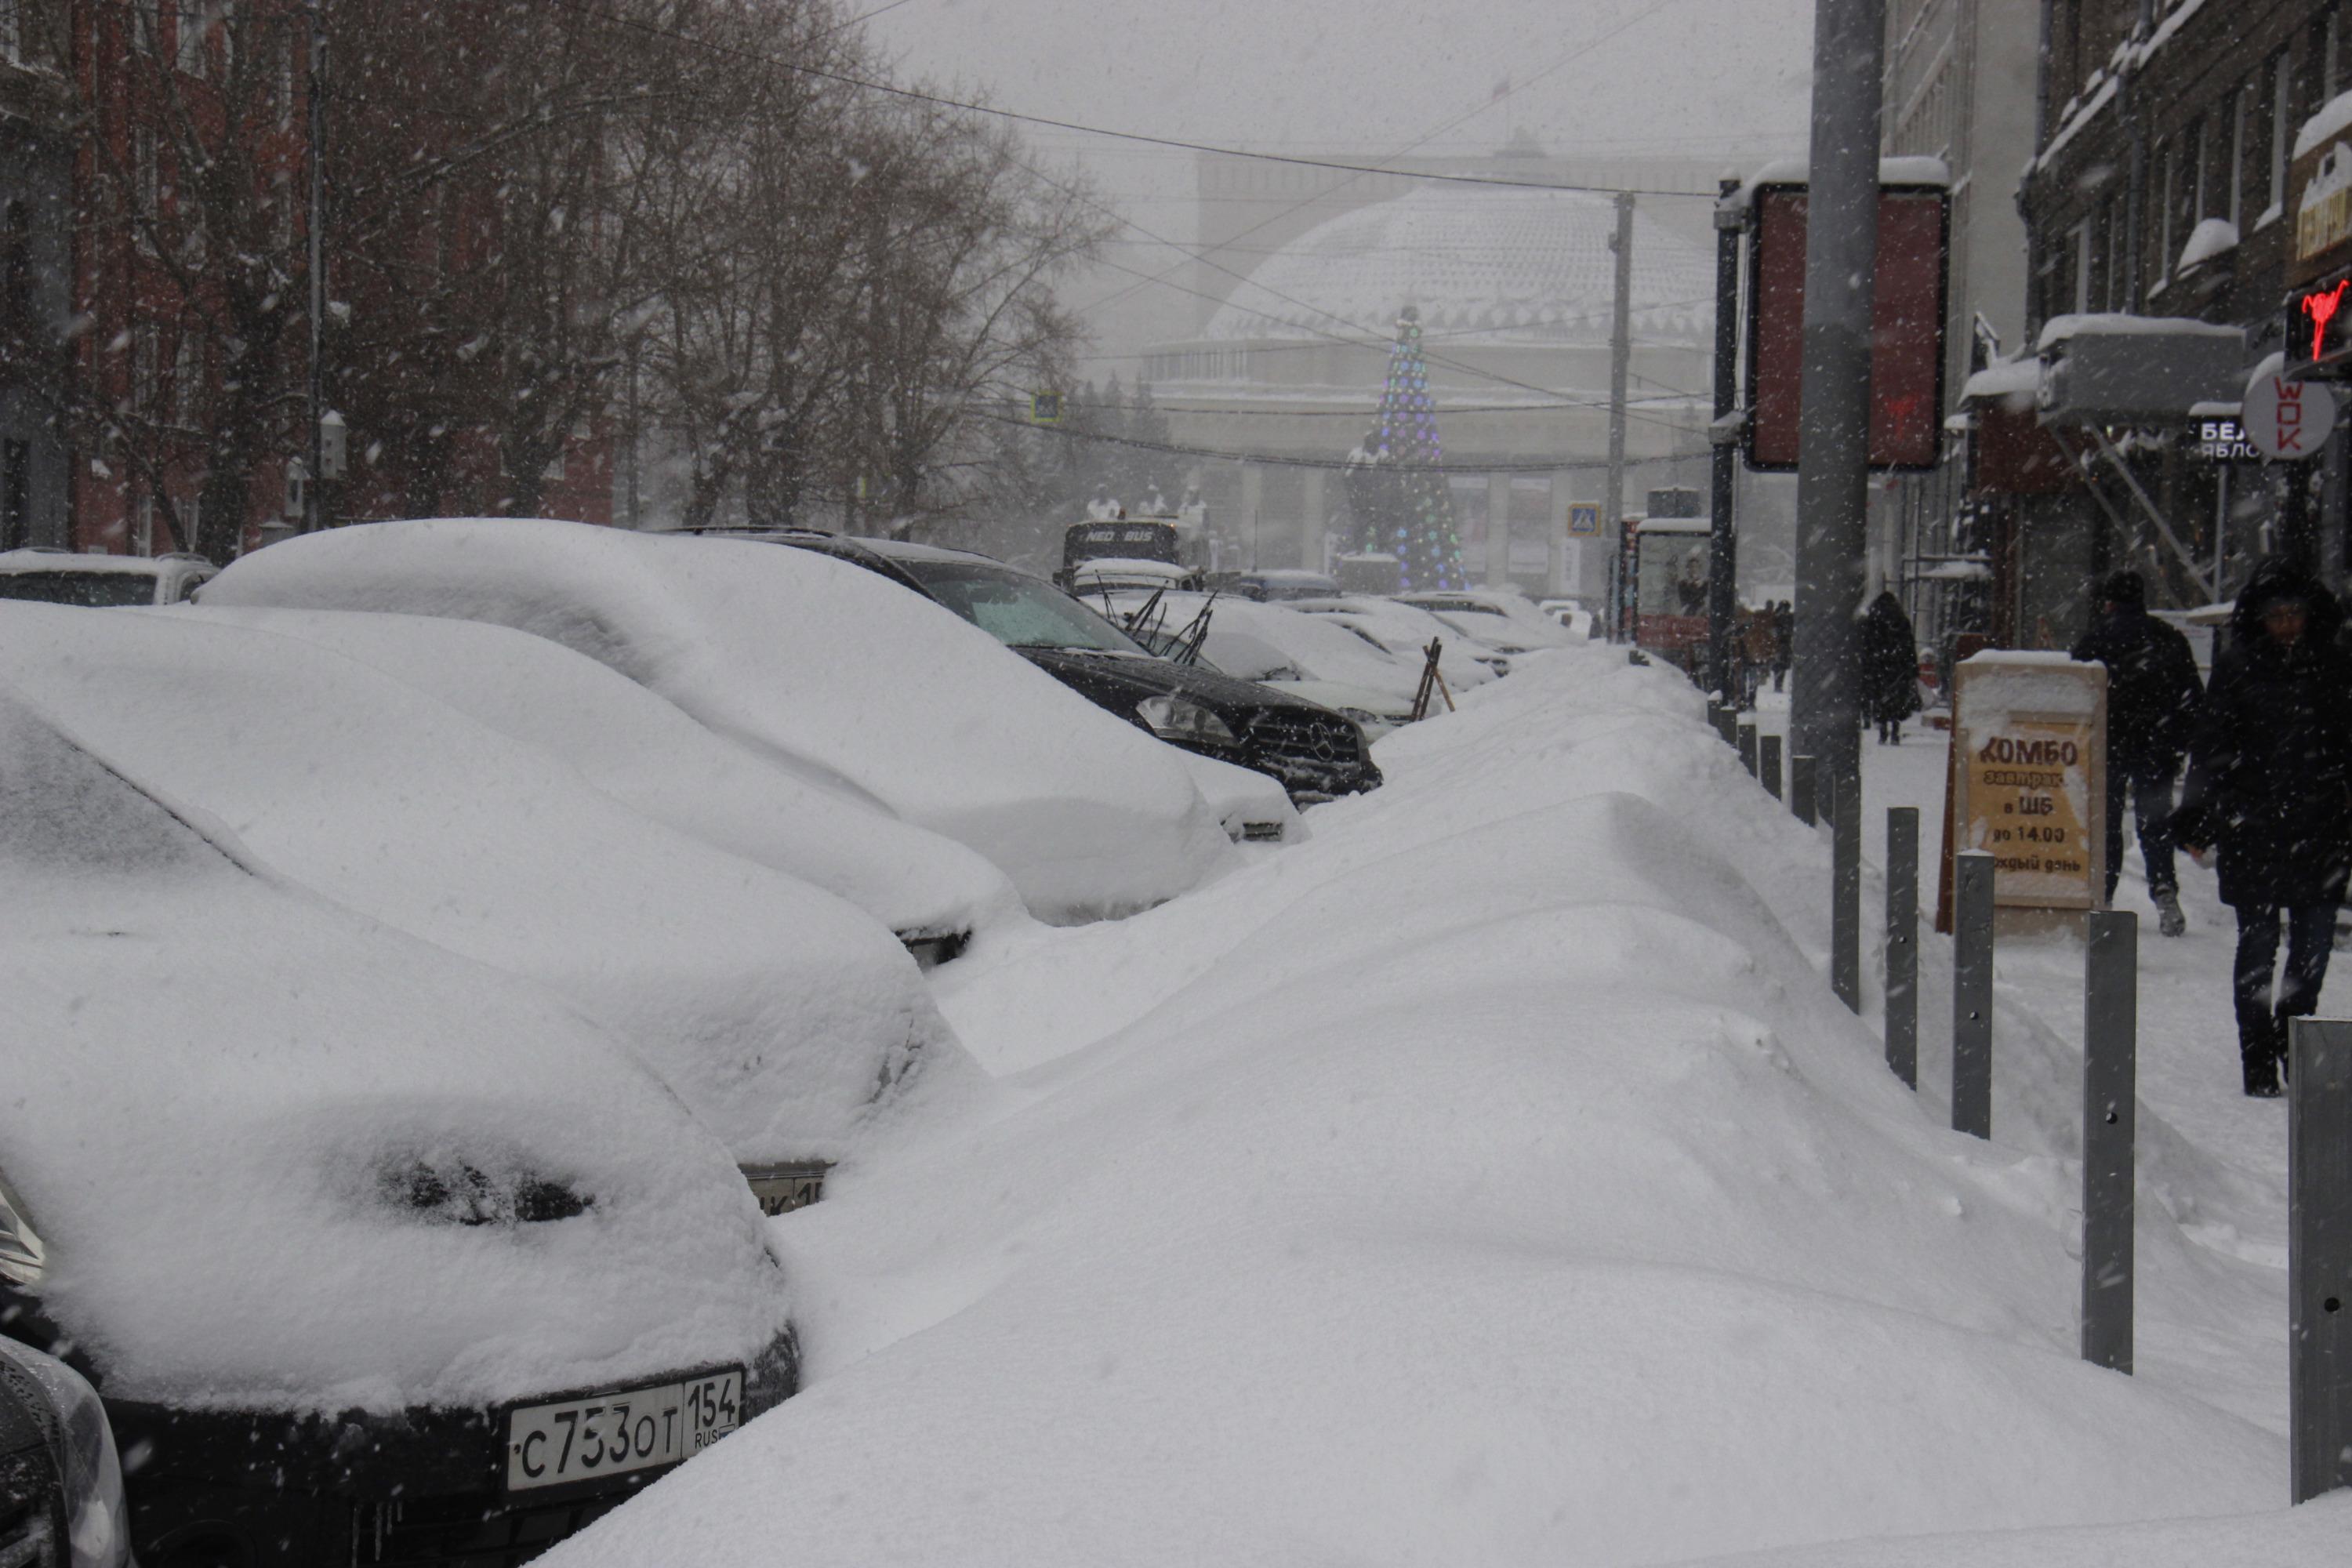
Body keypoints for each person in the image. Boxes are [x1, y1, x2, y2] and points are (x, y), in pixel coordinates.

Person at [2173, 559, 2352, 1097]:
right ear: (2260, 618)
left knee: (2313, 945)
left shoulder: (2335, 665)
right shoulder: (2239, 668)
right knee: (2258, 944)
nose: (2287, 625)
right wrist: (2201, 814)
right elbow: (2212, 745)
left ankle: (2295, 1041)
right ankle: (2257, 1055)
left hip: (2320, 825)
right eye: (2277, 615)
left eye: (2295, 614)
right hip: (2254, 824)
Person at [2069, 569, 2201, 936]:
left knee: (2105, 822)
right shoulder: (2169, 638)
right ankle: (2164, 889)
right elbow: (2191, 696)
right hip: (2157, 745)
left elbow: (2073, 692)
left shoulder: (2095, 639)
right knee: (2154, 821)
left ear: (2109, 602)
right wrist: (2179, 740)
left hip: (2106, 744)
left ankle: (2104, 895)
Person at [1857, 590, 1922, 744]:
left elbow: (1866, 645)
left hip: (1878, 666)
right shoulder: (1901, 621)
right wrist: (1912, 667)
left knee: (1880, 698)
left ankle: (1882, 729)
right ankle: (1895, 727)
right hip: (1898, 666)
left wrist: (1867, 664)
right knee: (1896, 698)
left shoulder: (1872, 621)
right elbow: (1909, 645)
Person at [1771, 601, 1794, 692]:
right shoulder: (1779, 617)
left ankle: (1778, 684)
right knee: (1780, 665)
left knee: (1780, 665)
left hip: (1782, 644)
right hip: (1780, 644)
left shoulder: (1785, 617)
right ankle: (1778, 684)